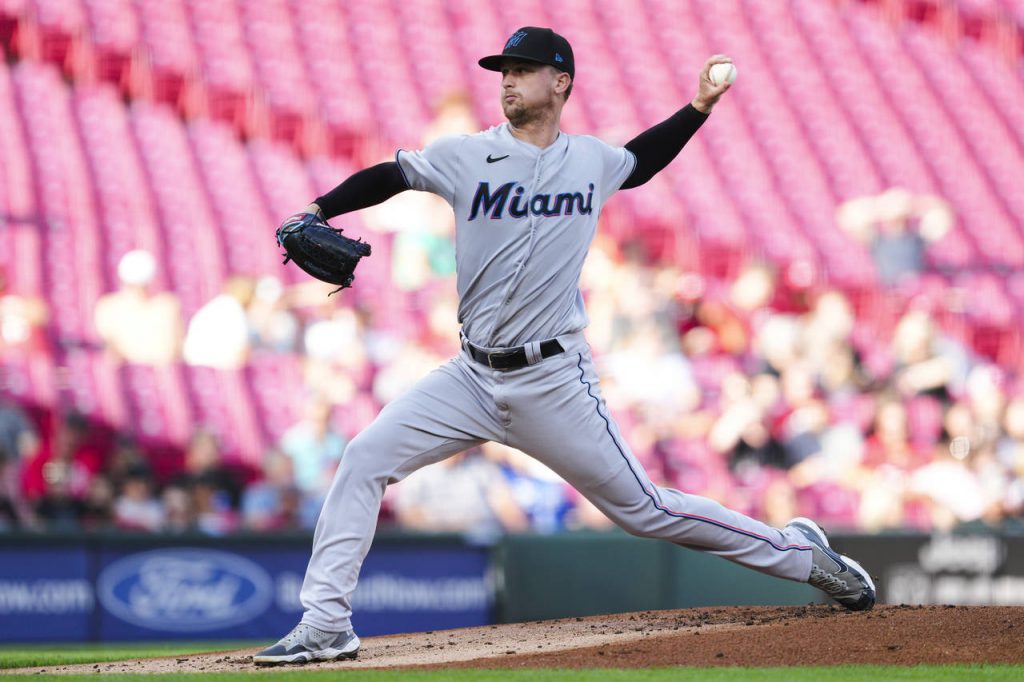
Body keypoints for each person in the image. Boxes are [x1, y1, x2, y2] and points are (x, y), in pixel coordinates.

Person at [255, 27, 875, 665]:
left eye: (523, 69)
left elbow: (641, 161)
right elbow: (393, 174)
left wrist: (698, 107)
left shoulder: (591, 161)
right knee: (364, 457)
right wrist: (319, 208)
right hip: (469, 377)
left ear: (561, 83)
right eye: (504, 70)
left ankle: (801, 555)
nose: (508, 80)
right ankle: (325, 625)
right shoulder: (467, 154)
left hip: (552, 381)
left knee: (645, 510)